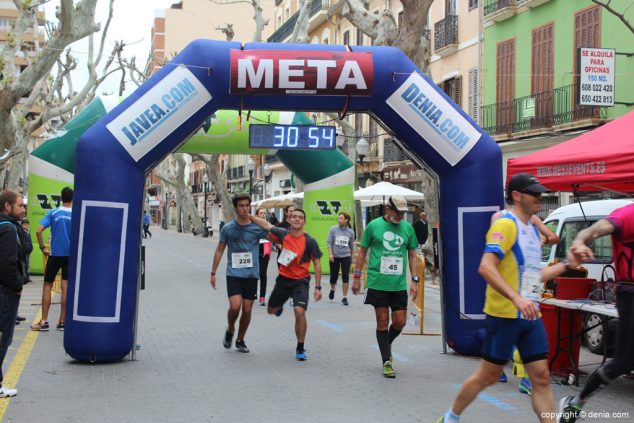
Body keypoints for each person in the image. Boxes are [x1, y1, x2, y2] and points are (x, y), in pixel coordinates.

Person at [436, 173, 578, 423]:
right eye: (534, 193)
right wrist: (515, 297)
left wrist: (568, 264)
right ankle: (450, 417)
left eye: (540, 193)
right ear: (516, 195)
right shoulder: (505, 224)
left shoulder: (533, 231)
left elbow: (537, 275)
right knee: (487, 376)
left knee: (542, 378)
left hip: (530, 315)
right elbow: (486, 267)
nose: (539, 198)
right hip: (504, 316)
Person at [558, 202, 634, 423]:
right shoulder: (627, 214)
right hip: (630, 294)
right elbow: (594, 229)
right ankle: (575, 404)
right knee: (623, 362)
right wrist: (580, 241)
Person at [352, 195, 419, 378]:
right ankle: (386, 361)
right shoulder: (373, 226)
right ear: (387, 209)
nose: (400, 216)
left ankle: (385, 344)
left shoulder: (407, 228)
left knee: (400, 322)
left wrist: (414, 280)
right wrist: (357, 277)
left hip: (397, 284)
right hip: (377, 282)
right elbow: (363, 251)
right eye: (397, 212)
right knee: (382, 321)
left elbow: (412, 255)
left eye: (403, 213)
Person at [249, 208, 323, 361]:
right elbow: (266, 225)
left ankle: (300, 347)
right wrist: (249, 216)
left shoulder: (310, 241)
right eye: (294, 217)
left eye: (300, 217)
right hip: (283, 280)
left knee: (299, 311)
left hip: (301, 281)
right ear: (289, 220)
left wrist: (318, 287)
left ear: (304, 221)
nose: (297, 219)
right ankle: (279, 306)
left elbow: (316, 263)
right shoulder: (283, 234)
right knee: (270, 310)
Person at [210, 193, 268, 353]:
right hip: (234, 273)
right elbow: (220, 249)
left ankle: (240, 339)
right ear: (235, 208)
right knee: (235, 307)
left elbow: (270, 229)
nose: (244, 208)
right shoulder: (228, 228)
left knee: (248, 310)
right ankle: (230, 329)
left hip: (251, 275)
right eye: (241, 206)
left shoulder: (257, 228)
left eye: (247, 205)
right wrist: (213, 272)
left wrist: (255, 218)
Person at [33, 187, 73, 332]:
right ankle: (62, 322)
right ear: (72, 199)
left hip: (55, 255)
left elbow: (38, 230)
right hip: (70, 256)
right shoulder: (76, 214)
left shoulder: (53, 212)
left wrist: (43, 248)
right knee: (66, 286)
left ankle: (44, 322)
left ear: (61, 198)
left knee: (47, 285)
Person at [0, 189, 28, 397]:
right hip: (5, 292)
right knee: (4, 338)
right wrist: (18, 285)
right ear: (7, 206)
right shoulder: (9, 229)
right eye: (19, 205)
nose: (23, 209)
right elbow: (9, 263)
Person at [326, 212, 355, 305]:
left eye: (341, 218)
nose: (339, 220)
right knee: (333, 277)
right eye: (338, 218)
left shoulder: (351, 232)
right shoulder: (333, 229)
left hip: (346, 256)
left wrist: (351, 258)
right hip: (335, 256)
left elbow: (351, 246)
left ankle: (344, 297)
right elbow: (329, 243)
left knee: (345, 277)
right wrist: (330, 255)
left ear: (346, 220)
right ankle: (332, 288)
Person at [255, 208, 272, 306]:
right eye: (261, 213)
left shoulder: (268, 225)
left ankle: (262, 297)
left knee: (263, 274)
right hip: (255, 249)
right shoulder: (253, 225)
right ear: (257, 215)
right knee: (253, 273)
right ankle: (252, 294)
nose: (263, 215)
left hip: (265, 250)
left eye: (264, 213)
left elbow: (272, 235)